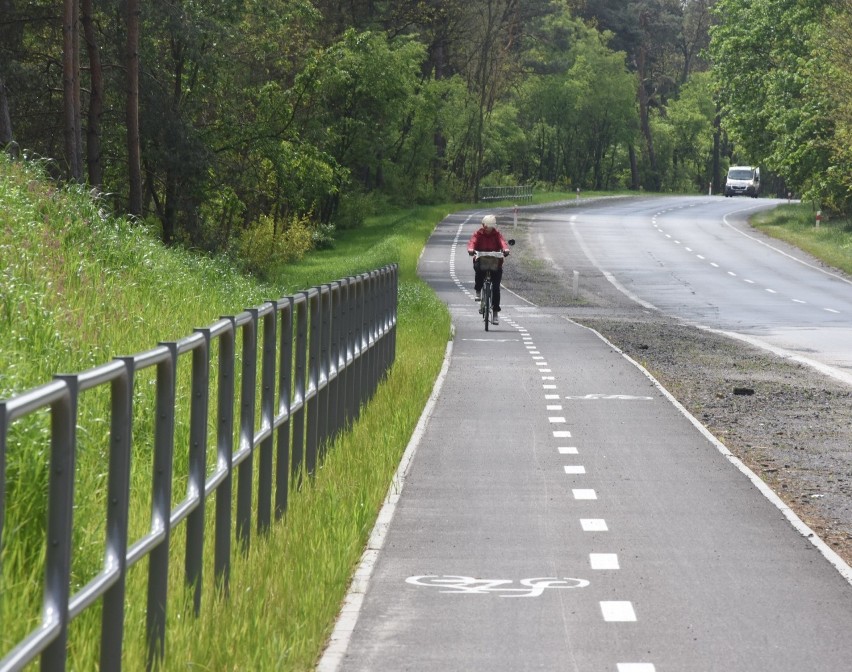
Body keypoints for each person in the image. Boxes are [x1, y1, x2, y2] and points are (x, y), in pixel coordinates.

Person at [467, 214, 511, 324]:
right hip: (481, 260)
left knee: (496, 287)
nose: (489, 230)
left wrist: (505, 249)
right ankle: (478, 290)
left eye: (491, 227)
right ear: (483, 225)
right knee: (479, 271)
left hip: (495, 262)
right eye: (487, 227)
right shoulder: (478, 234)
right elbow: (472, 241)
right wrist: (471, 249)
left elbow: (503, 242)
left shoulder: (497, 234)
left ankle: (495, 312)